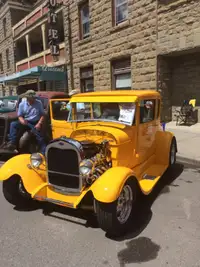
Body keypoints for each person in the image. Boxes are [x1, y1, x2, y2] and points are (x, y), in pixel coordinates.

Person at [4, 90, 46, 154]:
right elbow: (20, 115)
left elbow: (43, 115)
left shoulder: (38, 103)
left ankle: (44, 152)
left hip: (35, 122)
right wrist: (22, 120)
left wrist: (39, 123)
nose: (33, 99)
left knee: (39, 137)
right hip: (26, 121)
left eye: (34, 98)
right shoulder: (22, 104)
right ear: (27, 98)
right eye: (31, 98)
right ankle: (13, 143)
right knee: (13, 124)